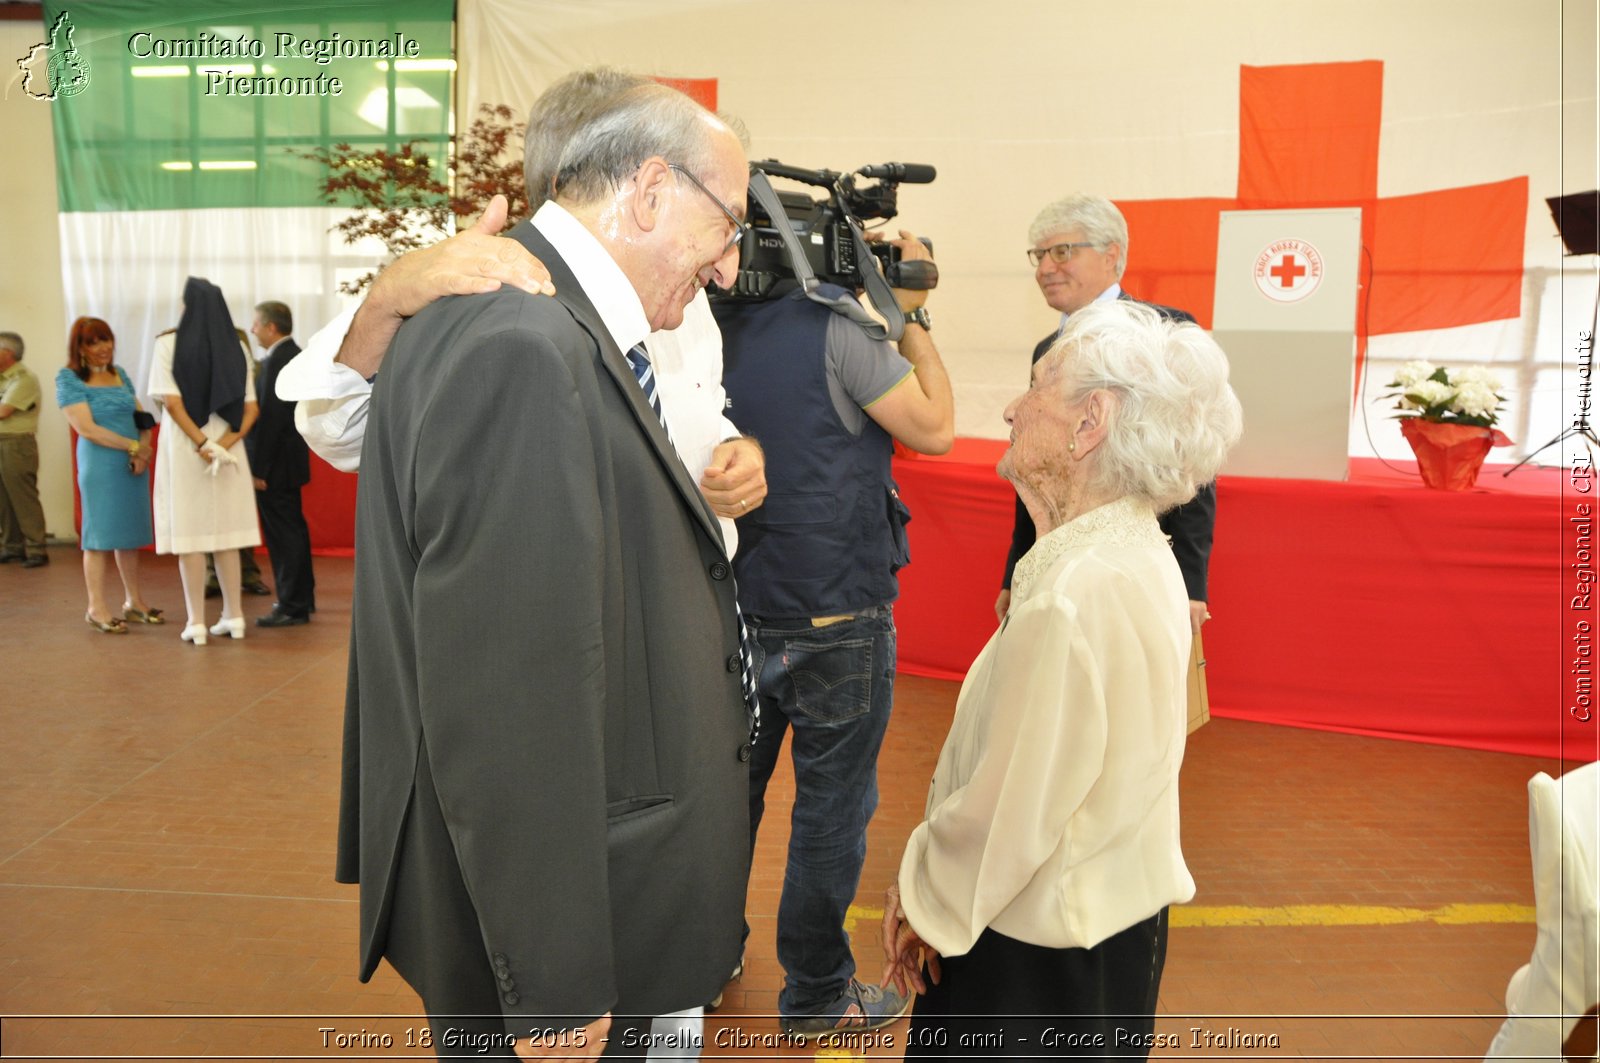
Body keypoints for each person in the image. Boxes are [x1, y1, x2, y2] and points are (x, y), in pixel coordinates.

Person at [336, 78, 755, 1059]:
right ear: (649, 192)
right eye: (726, 224)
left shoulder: (528, 315)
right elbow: (511, 688)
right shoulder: (523, 339)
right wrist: (554, 983)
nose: (730, 268)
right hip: (582, 932)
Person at [881, 301, 1242, 1057]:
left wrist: (925, 901)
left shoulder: (1074, 590)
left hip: (1033, 958)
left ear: (1091, 421)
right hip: (1110, 931)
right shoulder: (1136, 553)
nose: (1014, 407)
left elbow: (1013, 804)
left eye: (1038, 386)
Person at [711, 232, 954, 1036]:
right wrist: (908, 314)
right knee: (829, 812)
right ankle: (816, 992)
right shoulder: (840, 329)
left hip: (735, 610)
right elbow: (935, 425)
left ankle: (704, 962)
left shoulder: (694, 326)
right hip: (836, 613)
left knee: (723, 799)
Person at [996, 194, 1216, 635]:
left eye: (1061, 251)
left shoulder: (1164, 332)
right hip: (1054, 566)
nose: (1044, 268)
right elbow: (1037, 465)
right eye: (1038, 255)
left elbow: (1192, 465)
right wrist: (1015, 569)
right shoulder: (1046, 349)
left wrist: (1190, 582)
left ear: (1111, 253)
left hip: (1130, 573)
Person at [148, 278, 261, 646]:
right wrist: (221, 444)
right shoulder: (238, 348)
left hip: (184, 448)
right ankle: (235, 616)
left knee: (191, 536)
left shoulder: (167, 344)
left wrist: (201, 443)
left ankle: (196, 622)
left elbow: (171, 402)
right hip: (228, 450)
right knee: (227, 535)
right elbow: (250, 408)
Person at [54, 318, 161, 632]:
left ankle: (134, 602)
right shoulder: (68, 378)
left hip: (131, 464)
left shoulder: (120, 374)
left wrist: (144, 446)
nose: (103, 348)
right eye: (94, 342)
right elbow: (87, 429)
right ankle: (96, 608)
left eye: (106, 340)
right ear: (80, 348)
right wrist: (133, 447)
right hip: (100, 464)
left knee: (128, 536)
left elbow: (142, 417)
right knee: (98, 538)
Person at [246, 301, 315, 627]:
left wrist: (259, 470)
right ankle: (302, 597)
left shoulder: (278, 361)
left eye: (256, 324)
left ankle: (291, 605)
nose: (252, 330)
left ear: (271, 327)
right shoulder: (292, 355)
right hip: (288, 462)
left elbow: (271, 421)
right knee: (294, 532)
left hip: (276, 466)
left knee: (284, 536)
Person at [0, 331, 50, 568]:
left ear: (7, 353)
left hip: (16, 443)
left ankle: (37, 548)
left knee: (23, 496)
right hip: (3, 441)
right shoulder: (3, 378)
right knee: (3, 498)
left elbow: (3, 411)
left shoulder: (24, 378)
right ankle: (12, 547)